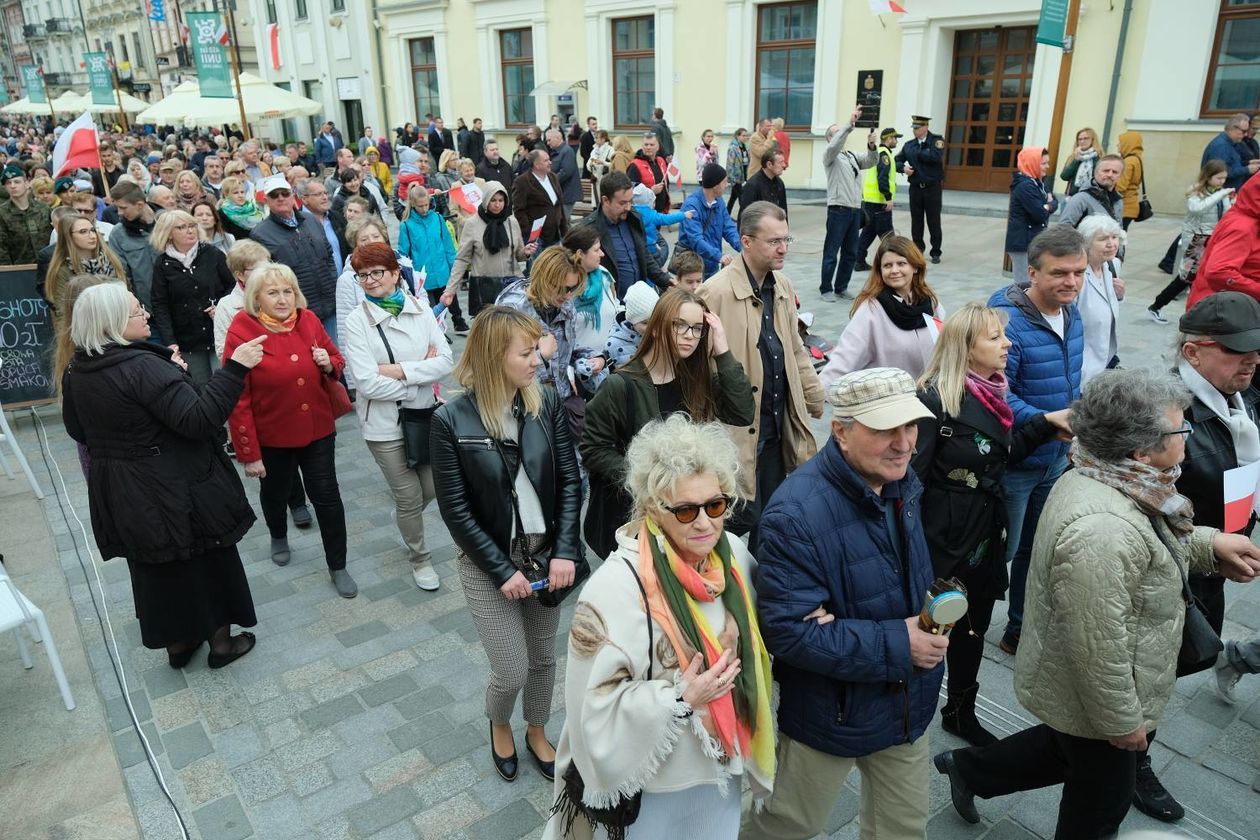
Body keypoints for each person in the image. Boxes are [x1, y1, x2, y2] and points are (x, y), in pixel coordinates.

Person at [933, 369, 1260, 840]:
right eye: (1180, 428)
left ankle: (968, 770)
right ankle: (971, 770)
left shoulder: (1113, 475)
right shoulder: (1103, 528)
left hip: (1090, 692)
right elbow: (1096, 647)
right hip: (1104, 693)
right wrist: (1123, 724)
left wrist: (1209, 545)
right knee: (1101, 805)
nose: (1188, 436)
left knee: (1066, 750)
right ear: (1140, 450)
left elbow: (1149, 542)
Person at [546, 416, 773, 840]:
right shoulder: (612, 590)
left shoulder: (736, 558)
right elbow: (589, 710)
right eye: (685, 510)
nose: (704, 523)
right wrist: (680, 698)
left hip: (721, 769)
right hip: (656, 784)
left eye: (716, 505)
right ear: (652, 508)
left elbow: (771, 625)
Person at [743, 367, 943, 840]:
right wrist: (902, 641)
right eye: (884, 430)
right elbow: (790, 632)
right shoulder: (795, 513)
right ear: (841, 431)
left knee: (905, 827)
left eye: (910, 426)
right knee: (789, 825)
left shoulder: (900, 482)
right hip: (832, 712)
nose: (904, 443)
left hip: (905, 703)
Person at [62, 283, 266, 669]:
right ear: (113, 323)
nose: (147, 316)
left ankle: (179, 645)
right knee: (206, 559)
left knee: (158, 569)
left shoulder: (79, 367)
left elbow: (78, 430)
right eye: (138, 312)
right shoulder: (142, 367)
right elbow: (199, 419)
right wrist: (236, 367)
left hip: (125, 489)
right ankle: (221, 646)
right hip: (176, 485)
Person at [430, 305, 585, 782]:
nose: (538, 359)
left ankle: (536, 730)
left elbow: (569, 480)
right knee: (512, 669)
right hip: (487, 562)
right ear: (496, 356)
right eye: (527, 352)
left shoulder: (546, 402)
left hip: (545, 556)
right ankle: (499, 721)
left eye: (536, 348)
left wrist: (565, 551)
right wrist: (502, 571)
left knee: (543, 658)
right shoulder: (449, 420)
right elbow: (456, 512)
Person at [913, 303, 1069, 746]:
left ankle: (960, 710)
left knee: (973, 628)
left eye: (1004, 335)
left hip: (984, 535)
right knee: (929, 629)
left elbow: (994, 458)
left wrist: (1042, 426)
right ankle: (905, 706)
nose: (1008, 344)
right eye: (995, 338)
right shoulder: (934, 399)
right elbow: (912, 482)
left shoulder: (993, 392)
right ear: (966, 347)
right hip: (941, 541)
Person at [580, 288, 754, 557]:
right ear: (659, 326)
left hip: (688, 516)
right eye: (680, 325)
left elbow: (742, 412)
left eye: (697, 329)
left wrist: (723, 351)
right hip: (639, 520)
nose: (689, 335)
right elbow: (593, 449)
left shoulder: (696, 379)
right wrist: (651, 478)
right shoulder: (621, 384)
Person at [223, 262, 356, 598]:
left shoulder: (308, 320)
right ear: (256, 297)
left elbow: (336, 358)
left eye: (287, 291)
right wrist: (249, 454)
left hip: (317, 430)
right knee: (275, 492)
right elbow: (237, 398)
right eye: (273, 293)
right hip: (273, 435)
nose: (282, 299)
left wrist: (329, 363)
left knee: (327, 498)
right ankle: (278, 533)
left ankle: (337, 564)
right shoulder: (242, 329)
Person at [697, 202, 824, 549]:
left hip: (776, 430)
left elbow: (794, 348)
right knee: (732, 524)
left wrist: (813, 394)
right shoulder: (715, 292)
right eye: (773, 241)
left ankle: (760, 594)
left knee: (771, 523)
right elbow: (697, 369)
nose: (783, 248)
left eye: (786, 239)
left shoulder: (781, 285)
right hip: (735, 437)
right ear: (746, 242)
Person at [987, 225, 1087, 654]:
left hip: (1056, 456)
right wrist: (1047, 420)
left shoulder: (1072, 312)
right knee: (997, 553)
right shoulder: (1006, 318)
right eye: (1060, 273)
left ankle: (1019, 628)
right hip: (1015, 462)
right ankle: (949, 619)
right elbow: (998, 393)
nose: (1071, 282)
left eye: (1079, 273)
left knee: (1037, 548)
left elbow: (1070, 380)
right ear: (1032, 272)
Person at [341, 241, 453, 590]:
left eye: (377, 272)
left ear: (394, 273)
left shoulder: (419, 307)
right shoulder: (357, 321)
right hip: (383, 425)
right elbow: (368, 384)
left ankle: (406, 517)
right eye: (363, 275)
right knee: (407, 495)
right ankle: (420, 559)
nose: (371, 280)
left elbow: (447, 361)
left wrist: (397, 370)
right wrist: (419, 376)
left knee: (432, 488)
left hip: (423, 417)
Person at [820, 235, 943, 385]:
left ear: (915, 267)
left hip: (931, 399)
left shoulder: (931, 304)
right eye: (887, 265)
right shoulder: (871, 310)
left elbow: (947, 349)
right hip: (891, 401)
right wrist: (815, 397)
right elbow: (843, 360)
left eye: (901, 263)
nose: (894, 270)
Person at [496, 246, 604, 413]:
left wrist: (594, 358)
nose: (568, 296)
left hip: (559, 404)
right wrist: (541, 357)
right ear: (543, 279)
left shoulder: (565, 305)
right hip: (523, 408)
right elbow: (499, 367)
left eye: (572, 289)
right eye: (562, 289)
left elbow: (568, 350)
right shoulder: (512, 310)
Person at [150, 209, 235, 386]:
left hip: (219, 332)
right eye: (182, 227)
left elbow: (233, 286)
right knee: (201, 389)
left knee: (226, 385)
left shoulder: (212, 253)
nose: (190, 230)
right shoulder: (162, 264)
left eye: (192, 226)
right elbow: (160, 304)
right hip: (187, 340)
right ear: (169, 233)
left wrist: (221, 305)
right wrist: (170, 342)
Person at [250, 174, 340, 340]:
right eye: (274, 195)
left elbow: (328, 257)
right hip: (297, 312)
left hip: (329, 305)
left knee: (333, 357)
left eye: (284, 193)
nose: (280, 198)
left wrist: (333, 287)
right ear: (267, 200)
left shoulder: (311, 220)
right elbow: (267, 277)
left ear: (293, 196)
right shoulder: (260, 233)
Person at [1148, 161, 1233, 323]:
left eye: (1224, 178)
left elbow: (1227, 215)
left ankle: (1198, 314)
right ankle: (1156, 306)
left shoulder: (1220, 193)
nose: (1222, 182)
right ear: (1208, 176)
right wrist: (1220, 195)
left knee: (1205, 278)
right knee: (1186, 277)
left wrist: (1229, 201)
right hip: (1196, 240)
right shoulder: (1195, 192)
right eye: (1219, 178)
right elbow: (1198, 208)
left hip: (1213, 239)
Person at [442, 181, 534, 318]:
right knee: (490, 334)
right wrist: (450, 290)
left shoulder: (511, 222)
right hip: (484, 287)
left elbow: (518, 254)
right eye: (493, 200)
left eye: (501, 200)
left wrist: (525, 252)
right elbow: (462, 259)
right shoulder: (472, 223)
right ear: (485, 200)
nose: (497, 205)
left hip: (511, 285)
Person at [580, 171, 672, 299]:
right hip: (610, 305)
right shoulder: (588, 229)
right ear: (605, 200)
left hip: (638, 303)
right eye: (622, 203)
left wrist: (667, 281)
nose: (628, 207)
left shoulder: (634, 218)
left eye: (630, 201)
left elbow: (644, 256)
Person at [820, 110, 877, 301]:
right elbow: (836, 144)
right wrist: (848, 124)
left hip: (854, 209)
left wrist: (871, 145)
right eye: (835, 133)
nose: (840, 135)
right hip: (838, 209)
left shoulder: (850, 155)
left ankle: (841, 287)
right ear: (830, 138)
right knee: (831, 251)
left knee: (850, 252)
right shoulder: (830, 156)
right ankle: (826, 288)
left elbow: (870, 161)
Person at [1187, 169, 1260, 309]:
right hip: (1220, 313)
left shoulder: (1249, 216)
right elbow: (1218, 272)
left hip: (1236, 307)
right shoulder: (1243, 227)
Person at [398, 184, 464, 331]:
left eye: (426, 205)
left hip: (442, 271)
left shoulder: (438, 218)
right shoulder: (406, 226)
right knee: (431, 310)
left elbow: (448, 246)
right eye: (420, 206)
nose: (424, 209)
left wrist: (454, 269)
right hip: (423, 276)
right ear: (413, 204)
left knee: (448, 302)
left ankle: (453, 324)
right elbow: (403, 254)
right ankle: (437, 333)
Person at [43, 213, 126, 323]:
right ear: (68, 236)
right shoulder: (62, 269)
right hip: (86, 329)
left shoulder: (111, 259)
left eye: (93, 230)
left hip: (120, 323)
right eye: (83, 232)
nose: (92, 236)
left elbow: (127, 293)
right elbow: (63, 313)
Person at [1076, 215, 1125, 384]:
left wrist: (1119, 297)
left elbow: (1106, 309)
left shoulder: (1112, 265)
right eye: (1103, 239)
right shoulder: (1077, 274)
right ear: (1087, 242)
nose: (1112, 244)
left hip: (1107, 361)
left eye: (1114, 237)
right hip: (1082, 368)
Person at [563, 225, 619, 366]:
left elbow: (615, 308)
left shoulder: (604, 275)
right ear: (580, 253)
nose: (602, 254)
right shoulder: (564, 286)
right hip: (578, 366)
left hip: (608, 361)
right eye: (596, 250)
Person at [677, 164, 743, 280]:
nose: (727, 185)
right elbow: (696, 240)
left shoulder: (719, 201)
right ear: (715, 186)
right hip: (692, 269)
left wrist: (743, 248)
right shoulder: (691, 205)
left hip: (712, 266)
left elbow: (728, 228)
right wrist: (719, 256)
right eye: (725, 182)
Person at [895, 115, 946, 264]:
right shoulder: (909, 145)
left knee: (933, 220)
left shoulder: (936, 141)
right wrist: (903, 168)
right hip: (916, 188)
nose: (915, 131)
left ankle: (936, 251)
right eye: (914, 128)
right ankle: (918, 250)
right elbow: (897, 160)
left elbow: (935, 157)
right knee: (916, 221)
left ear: (925, 128)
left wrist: (918, 152)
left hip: (932, 188)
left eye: (917, 128)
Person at [1005, 146, 1058, 285]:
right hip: (1023, 243)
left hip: (1032, 241)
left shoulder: (1038, 182)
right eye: (1043, 163)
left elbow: (1055, 201)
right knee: (1024, 284)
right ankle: (1021, 307)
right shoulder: (1025, 186)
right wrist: (1047, 205)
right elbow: (1039, 214)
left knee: (1033, 283)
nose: (1047, 166)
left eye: (1047, 162)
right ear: (1032, 163)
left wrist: (1048, 206)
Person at [213, 239, 272, 360]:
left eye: (268, 266)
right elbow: (223, 352)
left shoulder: (281, 293)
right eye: (259, 269)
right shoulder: (227, 306)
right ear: (240, 275)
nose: (267, 273)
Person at [856, 127, 902, 273]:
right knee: (889, 238)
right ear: (889, 139)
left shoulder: (879, 154)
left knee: (868, 233)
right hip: (879, 203)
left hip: (870, 201)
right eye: (895, 138)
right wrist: (888, 198)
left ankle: (858, 261)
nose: (896, 141)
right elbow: (882, 179)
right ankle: (895, 263)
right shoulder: (884, 155)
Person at [108, 181, 158, 308]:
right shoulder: (118, 234)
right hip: (146, 308)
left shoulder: (166, 222)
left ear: (140, 205)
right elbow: (121, 275)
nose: (119, 213)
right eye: (117, 208)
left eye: (123, 208)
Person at [512, 149, 568, 261]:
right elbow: (519, 210)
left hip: (554, 234)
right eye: (546, 160)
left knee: (554, 267)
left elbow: (559, 205)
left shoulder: (553, 177)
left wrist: (564, 229)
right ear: (537, 165)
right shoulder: (522, 182)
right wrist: (529, 232)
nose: (550, 162)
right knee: (537, 270)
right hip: (537, 238)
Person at [0, 163, 53, 265]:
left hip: (47, 267)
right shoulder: (2, 213)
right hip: (19, 270)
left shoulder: (44, 209)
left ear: (27, 184)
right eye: (8, 183)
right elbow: (2, 249)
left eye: (17, 182)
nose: (13, 186)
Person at [295, 178, 346, 276]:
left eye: (326, 193)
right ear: (304, 199)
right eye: (319, 194)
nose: (325, 197)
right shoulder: (296, 223)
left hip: (343, 284)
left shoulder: (337, 218)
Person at [630, 184, 689, 269]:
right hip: (651, 248)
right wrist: (683, 215)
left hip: (636, 248)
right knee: (658, 257)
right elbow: (667, 219)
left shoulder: (630, 213)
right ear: (649, 202)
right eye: (653, 201)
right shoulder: (651, 215)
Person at [605, 281, 658, 371]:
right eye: (645, 323)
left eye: (656, 321)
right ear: (632, 321)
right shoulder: (615, 344)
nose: (651, 327)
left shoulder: (660, 336)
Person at [1059, 154, 1124, 228]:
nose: (1110, 174)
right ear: (1095, 172)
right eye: (1106, 171)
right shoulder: (1080, 199)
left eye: (1115, 172)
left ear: (1120, 176)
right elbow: (1063, 230)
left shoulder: (1118, 201)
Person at [1201, 112, 1260, 191]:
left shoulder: (1231, 143)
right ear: (1232, 128)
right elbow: (1220, 172)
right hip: (1219, 195)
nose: (1246, 134)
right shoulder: (1221, 146)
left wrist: (1248, 163)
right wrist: (1247, 169)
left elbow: (1231, 164)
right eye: (1244, 131)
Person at [627, 132, 672, 215]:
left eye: (651, 145)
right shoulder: (635, 165)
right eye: (646, 144)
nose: (648, 147)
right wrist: (651, 191)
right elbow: (630, 192)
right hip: (644, 214)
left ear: (658, 147)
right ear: (642, 146)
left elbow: (666, 183)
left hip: (659, 212)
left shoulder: (661, 161)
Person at [739, 148, 787, 221]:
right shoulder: (752, 185)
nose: (784, 165)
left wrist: (785, 231)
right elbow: (745, 216)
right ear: (769, 164)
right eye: (780, 162)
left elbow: (783, 211)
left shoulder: (780, 183)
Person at [546, 129, 582, 222]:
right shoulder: (557, 151)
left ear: (558, 138)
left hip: (567, 193)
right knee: (565, 222)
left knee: (562, 221)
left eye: (549, 140)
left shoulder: (567, 151)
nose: (547, 143)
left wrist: (550, 181)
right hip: (561, 193)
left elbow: (566, 171)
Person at [217, 175, 265, 240]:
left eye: (242, 192)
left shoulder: (253, 207)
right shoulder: (221, 213)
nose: (240, 196)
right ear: (226, 194)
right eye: (236, 193)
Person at [1059, 127, 1103, 197]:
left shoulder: (1100, 158)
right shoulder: (1073, 157)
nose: (1082, 141)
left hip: (1092, 196)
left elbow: (1100, 177)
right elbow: (1064, 176)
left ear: (1093, 140)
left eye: (1086, 138)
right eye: (1080, 139)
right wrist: (1076, 160)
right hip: (1073, 196)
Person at [1116, 131, 1145, 231]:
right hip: (1131, 205)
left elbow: (1120, 187)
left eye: (1120, 142)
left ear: (1127, 143)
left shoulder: (1128, 161)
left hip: (1124, 206)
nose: (1117, 145)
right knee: (1121, 237)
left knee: (1118, 238)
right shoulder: (1137, 159)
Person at [725, 128, 750, 215]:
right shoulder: (733, 148)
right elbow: (730, 164)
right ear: (737, 136)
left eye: (746, 135)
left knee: (733, 197)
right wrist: (731, 178)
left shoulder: (744, 146)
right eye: (743, 135)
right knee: (742, 199)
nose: (745, 137)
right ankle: (743, 217)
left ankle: (726, 215)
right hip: (736, 177)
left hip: (743, 176)